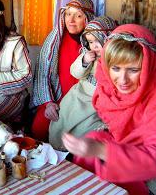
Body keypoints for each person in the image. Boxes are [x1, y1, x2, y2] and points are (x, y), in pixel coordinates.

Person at [62, 24, 156, 195]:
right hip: (136, 153)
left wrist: (101, 150)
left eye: (133, 70)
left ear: (149, 65)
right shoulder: (108, 85)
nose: (122, 80)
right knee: (95, 138)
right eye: (115, 68)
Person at [31, 0, 96, 141]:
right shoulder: (55, 39)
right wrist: (48, 103)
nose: (71, 20)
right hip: (56, 97)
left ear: (87, 18)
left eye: (78, 15)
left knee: (77, 135)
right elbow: (43, 74)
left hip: (82, 101)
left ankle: (68, 163)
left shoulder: (94, 43)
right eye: (68, 14)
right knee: (39, 127)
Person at [49, 16, 117, 150]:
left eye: (98, 41)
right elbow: (75, 73)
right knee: (62, 119)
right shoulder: (89, 56)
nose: (94, 46)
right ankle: (58, 146)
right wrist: (84, 61)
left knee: (84, 127)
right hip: (78, 94)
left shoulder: (114, 61)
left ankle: (74, 149)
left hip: (95, 101)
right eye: (91, 42)